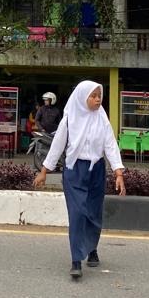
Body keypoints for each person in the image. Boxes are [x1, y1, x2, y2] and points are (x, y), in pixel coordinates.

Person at [33, 80, 125, 279]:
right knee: (77, 213)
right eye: (93, 96)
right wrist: (44, 170)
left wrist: (118, 172)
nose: (98, 99)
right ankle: (76, 260)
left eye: (99, 95)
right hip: (75, 170)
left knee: (93, 212)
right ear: (83, 98)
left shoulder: (102, 118)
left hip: (96, 170)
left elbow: (110, 144)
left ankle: (92, 249)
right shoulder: (70, 118)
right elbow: (58, 144)